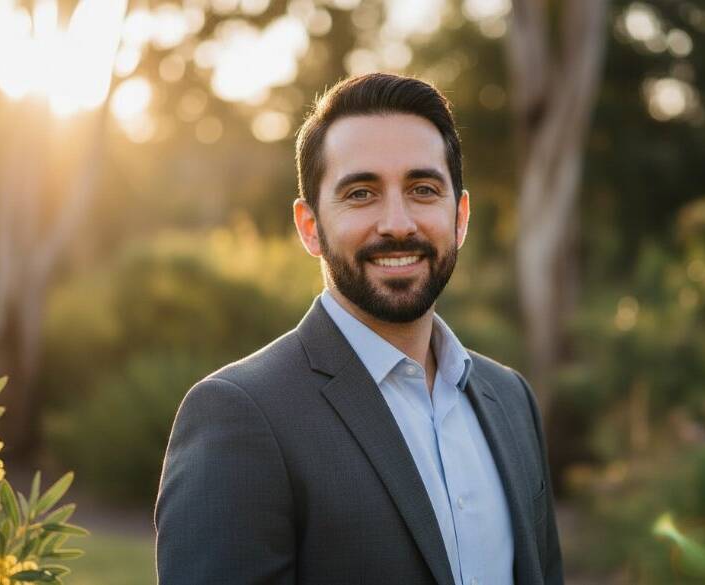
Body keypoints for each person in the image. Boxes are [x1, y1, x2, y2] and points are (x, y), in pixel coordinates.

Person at [154, 73, 563, 585]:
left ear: (459, 216)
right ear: (310, 227)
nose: (397, 223)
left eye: (422, 189)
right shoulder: (239, 415)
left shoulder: (511, 399)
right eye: (362, 193)